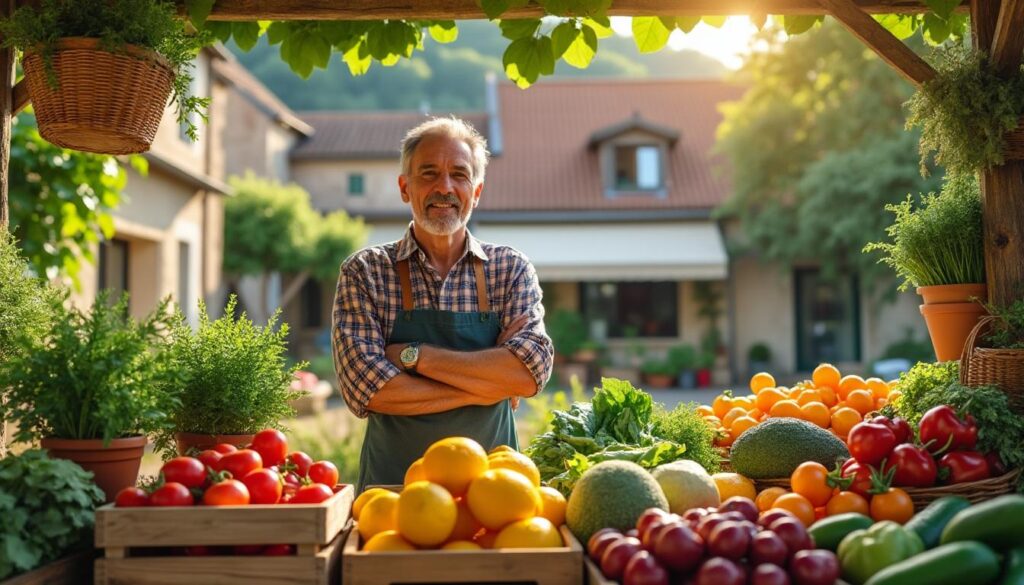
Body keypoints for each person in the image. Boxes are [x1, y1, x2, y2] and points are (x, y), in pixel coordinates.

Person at [332, 117, 554, 492]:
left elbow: (531, 372)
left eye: (459, 174)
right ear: (405, 187)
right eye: (429, 173)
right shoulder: (366, 271)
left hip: (496, 497)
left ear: (477, 190)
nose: (444, 187)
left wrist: (415, 356)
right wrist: (492, 383)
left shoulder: (509, 268)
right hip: (394, 498)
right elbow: (366, 390)